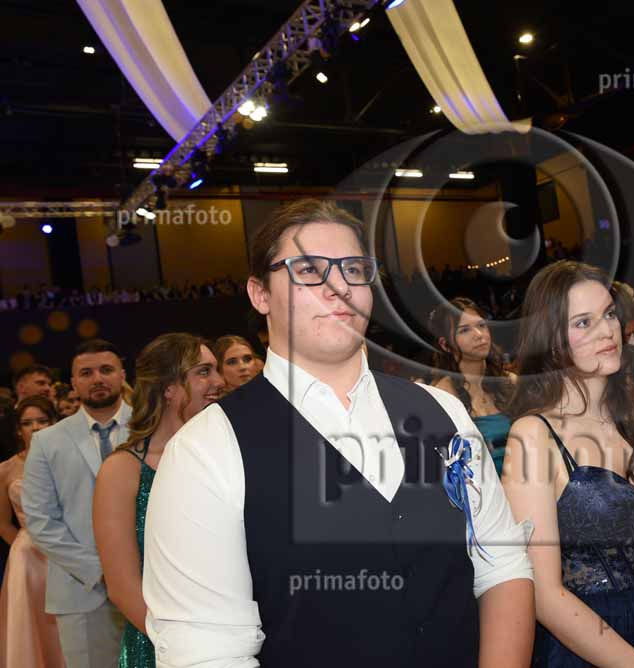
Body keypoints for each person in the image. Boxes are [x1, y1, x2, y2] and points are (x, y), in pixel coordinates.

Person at [142, 198, 535, 666]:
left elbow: (501, 566)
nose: (339, 287)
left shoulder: (442, 411)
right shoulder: (206, 450)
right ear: (259, 294)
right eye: (308, 270)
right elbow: (206, 653)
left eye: (353, 269)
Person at [501, 260, 634, 667]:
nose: (607, 331)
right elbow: (544, 594)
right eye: (584, 323)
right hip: (591, 647)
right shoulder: (532, 436)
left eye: (610, 314)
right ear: (551, 341)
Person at [92, 334, 224, 668]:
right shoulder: (122, 469)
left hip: (236, 634)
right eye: (203, 371)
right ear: (168, 387)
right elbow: (121, 586)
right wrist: (183, 648)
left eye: (216, 370)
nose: (219, 381)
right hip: (160, 646)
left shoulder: (228, 456)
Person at [22, 339, 129, 668]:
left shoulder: (152, 427)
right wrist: (101, 572)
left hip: (154, 583)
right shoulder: (47, 441)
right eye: (86, 373)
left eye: (106, 370)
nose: (97, 378)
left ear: (122, 374)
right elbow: (40, 521)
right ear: (73, 382)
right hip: (82, 589)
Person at [0, 396, 65, 667]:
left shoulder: (66, 461)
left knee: (64, 626)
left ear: (54, 423)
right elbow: (3, 523)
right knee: (28, 625)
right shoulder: (6, 469)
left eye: (42, 420)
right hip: (26, 558)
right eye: (28, 423)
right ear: (18, 430)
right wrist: (24, 545)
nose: (35, 427)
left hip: (64, 551)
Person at [429, 297, 516, 476]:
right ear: (445, 345)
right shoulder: (442, 396)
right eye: (464, 330)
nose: (478, 334)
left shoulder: (511, 382)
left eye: (481, 325)